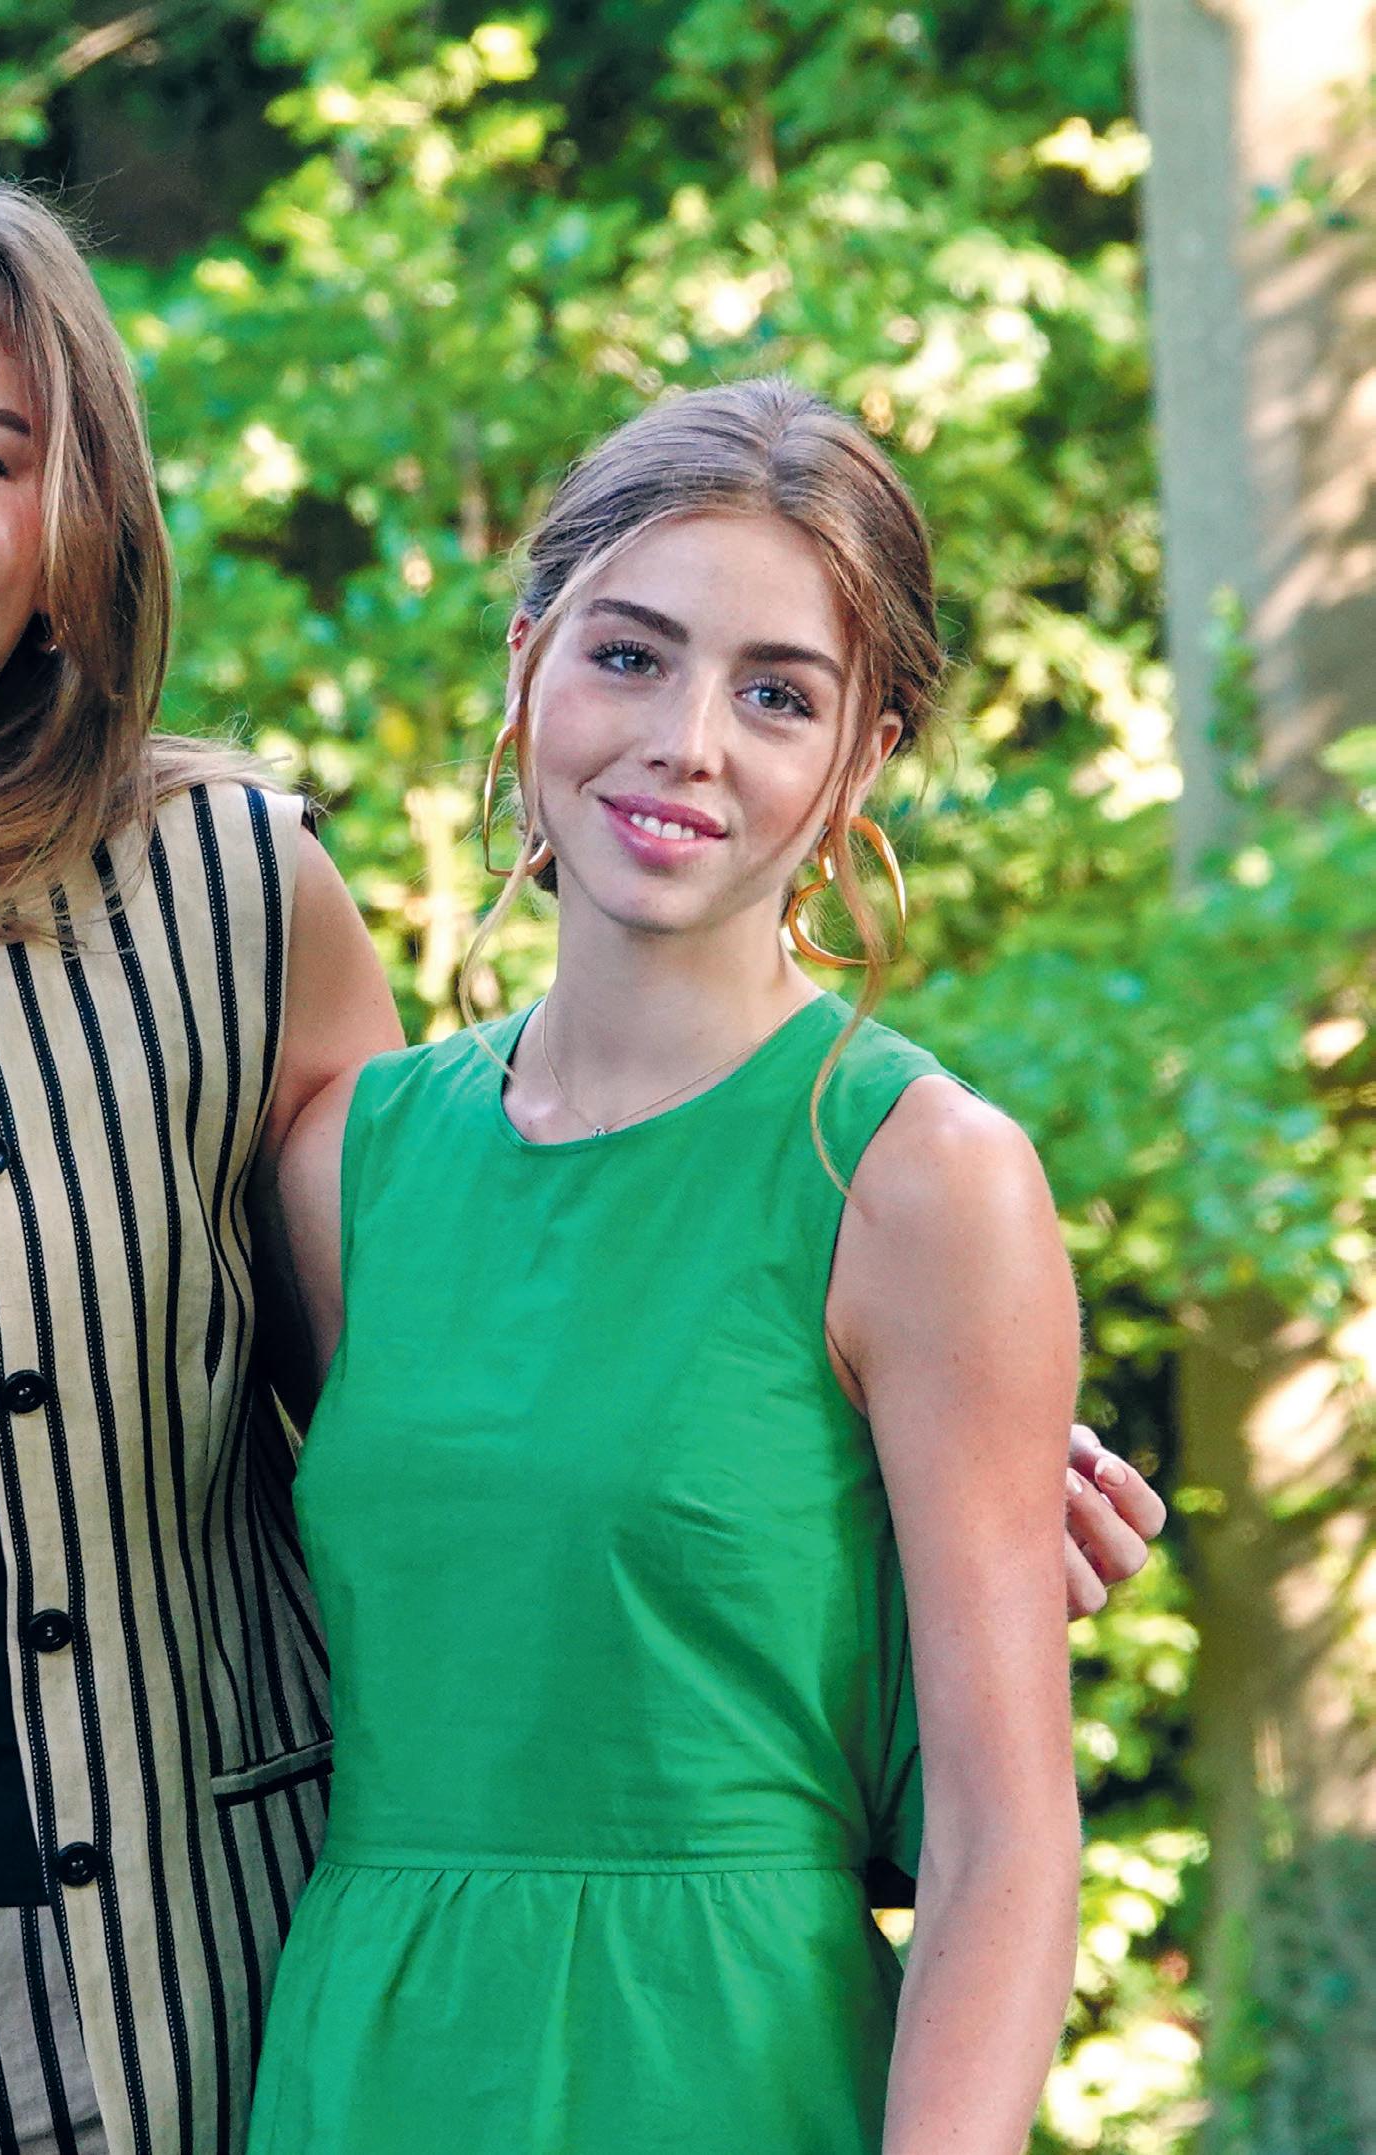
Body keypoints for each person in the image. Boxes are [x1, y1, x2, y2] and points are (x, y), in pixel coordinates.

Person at [0, 181, 1156, 2155]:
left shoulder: (222, 902)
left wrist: (936, 1504)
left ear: (69, 540)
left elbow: (503, 1423)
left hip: (100, 2043)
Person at [246, 378, 1083, 2155]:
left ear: (859, 761)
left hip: (726, 2065)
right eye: (630, 656)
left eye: (777, 694)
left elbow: (1005, 1843)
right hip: (368, 2060)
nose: (688, 741)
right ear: (528, 665)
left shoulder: (921, 1179)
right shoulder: (345, 1165)